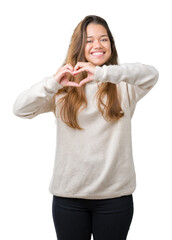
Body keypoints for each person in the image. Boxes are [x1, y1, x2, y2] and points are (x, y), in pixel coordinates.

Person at [13, 15, 159, 240]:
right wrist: (52, 83)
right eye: (89, 40)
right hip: (69, 198)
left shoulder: (124, 86)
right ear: (80, 46)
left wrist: (102, 73)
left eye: (104, 39)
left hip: (114, 198)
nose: (98, 45)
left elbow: (151, 74)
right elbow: (20, 109)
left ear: (111, 44)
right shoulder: (62, 89)